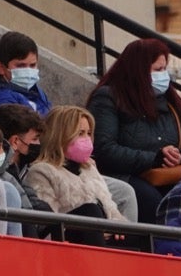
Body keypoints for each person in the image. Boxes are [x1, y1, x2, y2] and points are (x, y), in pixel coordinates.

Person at [87, 37, 181, 223]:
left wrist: (178, 155)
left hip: (166, 175)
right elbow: (103, 149)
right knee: (154, 204)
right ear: (139, 72)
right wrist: (155, 158)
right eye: (158, 70)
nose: (164, 76)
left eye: (165, 69)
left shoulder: (172, 103)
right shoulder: (108, 98)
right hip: (125, 175)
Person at [25, 104, 126, 244]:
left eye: (89, 133)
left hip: (102, 234)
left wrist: (116, 226)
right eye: (80, 133)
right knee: (91, 211)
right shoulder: (41, 171)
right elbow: (50, 222)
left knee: (138, 234)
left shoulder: (89, 168)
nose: (87, 139)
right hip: (67, 239)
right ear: (60, 135)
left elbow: (111, 208)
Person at [0, 29, 51, 114]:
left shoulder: (37, 92)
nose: (28, 71)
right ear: (1, 67)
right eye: (21, 66)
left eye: (32, 65)